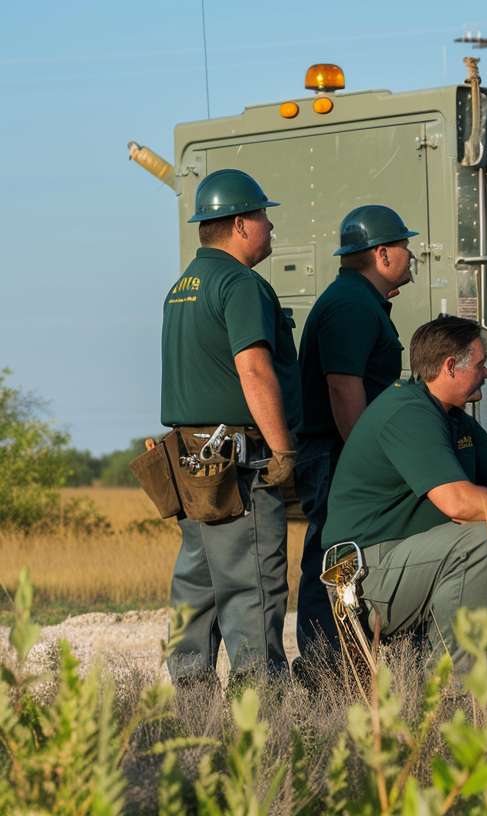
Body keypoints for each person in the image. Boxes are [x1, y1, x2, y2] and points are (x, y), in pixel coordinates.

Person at [321, 316, 487, 669]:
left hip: (410, 559)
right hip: (367, 575)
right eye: (480, 364)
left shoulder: (451, 416)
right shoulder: (407, 411)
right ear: (450, 366)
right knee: (484, 536)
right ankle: (458, 683)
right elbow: (459, 504)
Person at [159, 168, 300, 685]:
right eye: (264, 216)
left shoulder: (182, 287)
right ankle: (261, 723)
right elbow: (254, 370)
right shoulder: (240, 284)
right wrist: (282, 451)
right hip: (239, 464)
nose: (270, 227)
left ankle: (192, 717)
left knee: (197, 590)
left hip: (191, 462)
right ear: (240, 224)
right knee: (253, 589)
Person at [293, 205, 418, 662]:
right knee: (333, 555)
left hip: (338, 449)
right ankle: (323, 664)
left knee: (344, 554)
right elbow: (343, 387)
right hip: (336, 452)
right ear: (382, 254)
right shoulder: (350, 304)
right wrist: (365, 457)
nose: (411, 255)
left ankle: (342, 660)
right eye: (405, 246)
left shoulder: (358, 300)